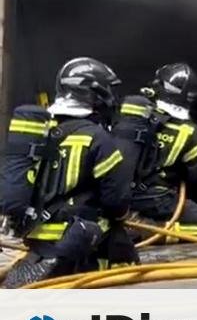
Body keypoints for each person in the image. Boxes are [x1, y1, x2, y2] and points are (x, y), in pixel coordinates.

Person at [1, 57, 132, 287]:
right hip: (76, 240)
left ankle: (43, 265)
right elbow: (116, 201)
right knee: (123, 250)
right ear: (94, 94)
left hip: (35, 236)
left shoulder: (39, 131)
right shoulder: (98, 138)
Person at [121, 63, 197, 240]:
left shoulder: (129, 112)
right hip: (157, 200)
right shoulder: (189, 131)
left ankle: (129, 224)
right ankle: (150, 231)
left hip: (117, 194)